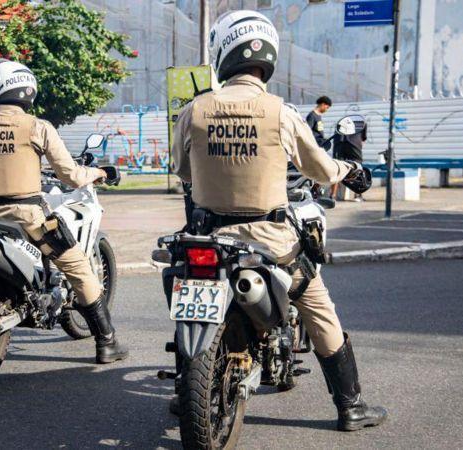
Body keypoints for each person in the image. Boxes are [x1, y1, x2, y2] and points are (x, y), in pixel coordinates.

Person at [171, 10, 387, 432]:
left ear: (223, 53)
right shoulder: (281, 113)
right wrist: (350, 171)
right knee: (318, 307)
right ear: (267, 55)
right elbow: (322, 169)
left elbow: (182, 171)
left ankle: (186, 390)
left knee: (188, 297)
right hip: (271, 239)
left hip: (210, 236)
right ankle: (351, 408)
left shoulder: (194, 111)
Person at [0, 59, 128, 364]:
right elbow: (71, 177)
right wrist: (99, 173)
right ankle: (107, 341)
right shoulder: (37, 127)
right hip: (29, 218)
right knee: (78, 266)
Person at [330, 115, 368, 201]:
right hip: (354, 144)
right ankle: (358, 196)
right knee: (358, 167)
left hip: (339, 144)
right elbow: (363, 139)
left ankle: (332, 196)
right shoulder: (362, 122)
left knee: (336, 168)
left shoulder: (341, 121)